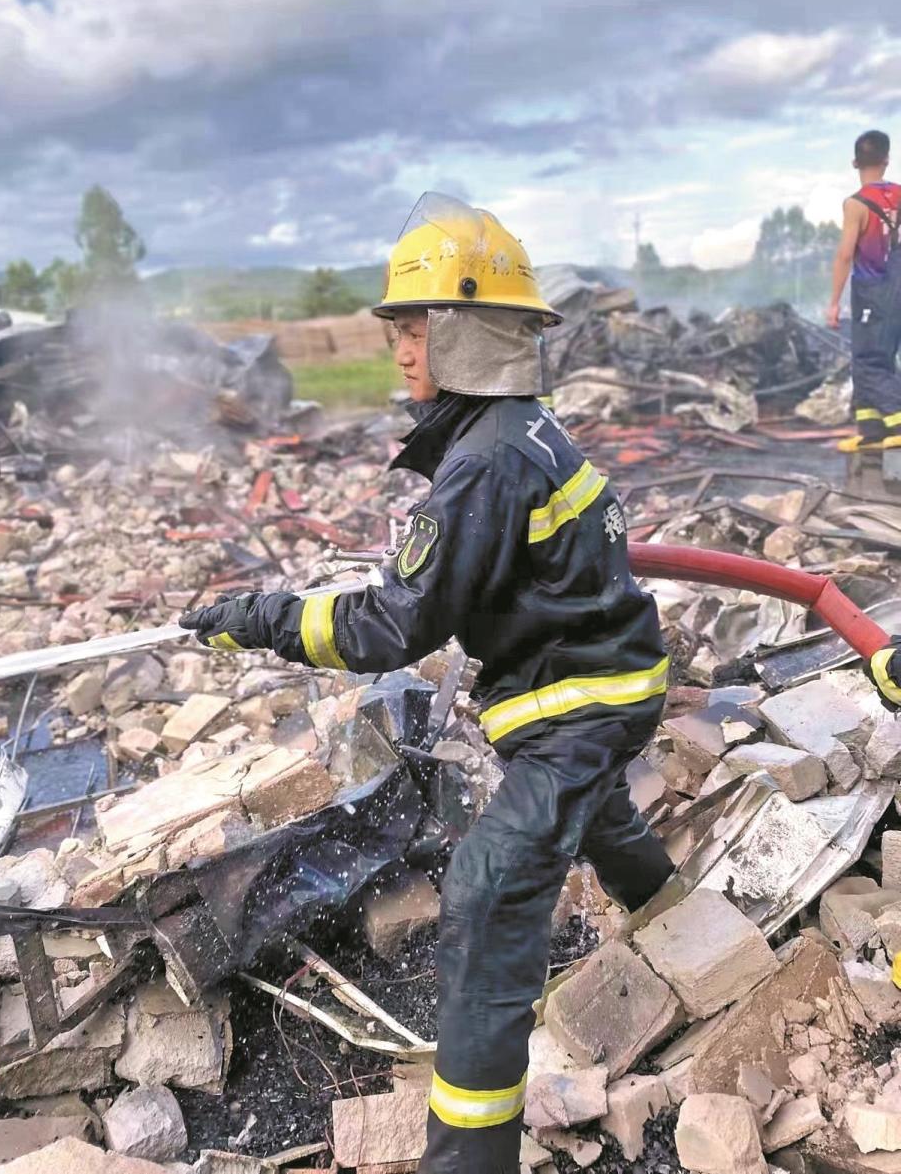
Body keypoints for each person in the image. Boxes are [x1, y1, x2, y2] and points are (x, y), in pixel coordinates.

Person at [179, 193, 674, 1174]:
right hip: (605, 693)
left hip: (577, 709)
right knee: (597, 811)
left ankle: (466, 1161)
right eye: (396, 330)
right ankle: (679, 923)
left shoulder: (485, 461)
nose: (402, 349)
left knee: (489, 899)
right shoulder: (517, 432)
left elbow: (393, 626)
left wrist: (260, 618)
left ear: (471, 330)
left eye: (417, 326)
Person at [827, 130, 901, 452]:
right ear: (886, 160)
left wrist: (833, 303)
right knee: (872, 358)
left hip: (873, 289)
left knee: (870, 359)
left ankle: (897, 419)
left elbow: (845, 254)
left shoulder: (855, 204)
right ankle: (872, 429)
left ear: (855, 162)